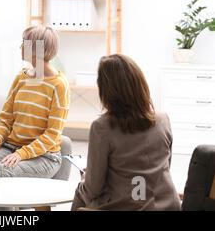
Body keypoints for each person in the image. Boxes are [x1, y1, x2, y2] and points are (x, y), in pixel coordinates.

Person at [71, 54, 181, 211]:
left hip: (129, 206)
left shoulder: (102, 127)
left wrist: (85, 179)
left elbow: (94, 188)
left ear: (106, 90)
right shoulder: (163, 119)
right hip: (169, 205)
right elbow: (163, 167)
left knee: (82, 192)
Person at [0, 25, 70, 178]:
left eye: (24, 43)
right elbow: (6, 117)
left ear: (36, 50)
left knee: (3, 171)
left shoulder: (59, 85)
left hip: (45, 156)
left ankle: (15, 203)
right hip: (11, 147)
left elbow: (53, 134)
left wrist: (23, 154)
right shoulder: (21, 77)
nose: (21, 47)